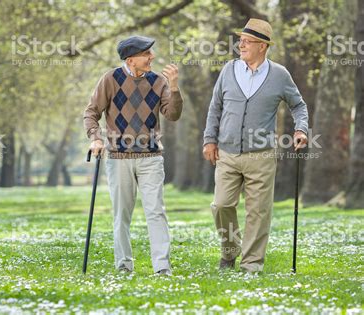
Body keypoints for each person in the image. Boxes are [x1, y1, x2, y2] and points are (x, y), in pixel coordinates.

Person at [203, 19, 308, 273]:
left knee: (258, 212)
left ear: (262, 46)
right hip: (227, 153)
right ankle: (230, 251)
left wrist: (301, 128)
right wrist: (209, 139)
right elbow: (215, 106)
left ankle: (251, 264)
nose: (241, 45)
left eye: (247, 41)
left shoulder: (280, 75)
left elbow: (298, 105)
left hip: (261, 155)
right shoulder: (228, 70)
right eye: (241, 40)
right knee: (221, 205)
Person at [83, 35, 183, 275]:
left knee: (156, 211)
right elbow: (91, 112)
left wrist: (175, 88)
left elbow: (173, 114)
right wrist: (95, 137)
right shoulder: (111, 79)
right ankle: (124, 265)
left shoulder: (159, 81)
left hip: (151, 157)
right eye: (147, 53)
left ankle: (162, 266)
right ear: (131, 59)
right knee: (122, 214)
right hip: (119, 157)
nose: (152, 57)